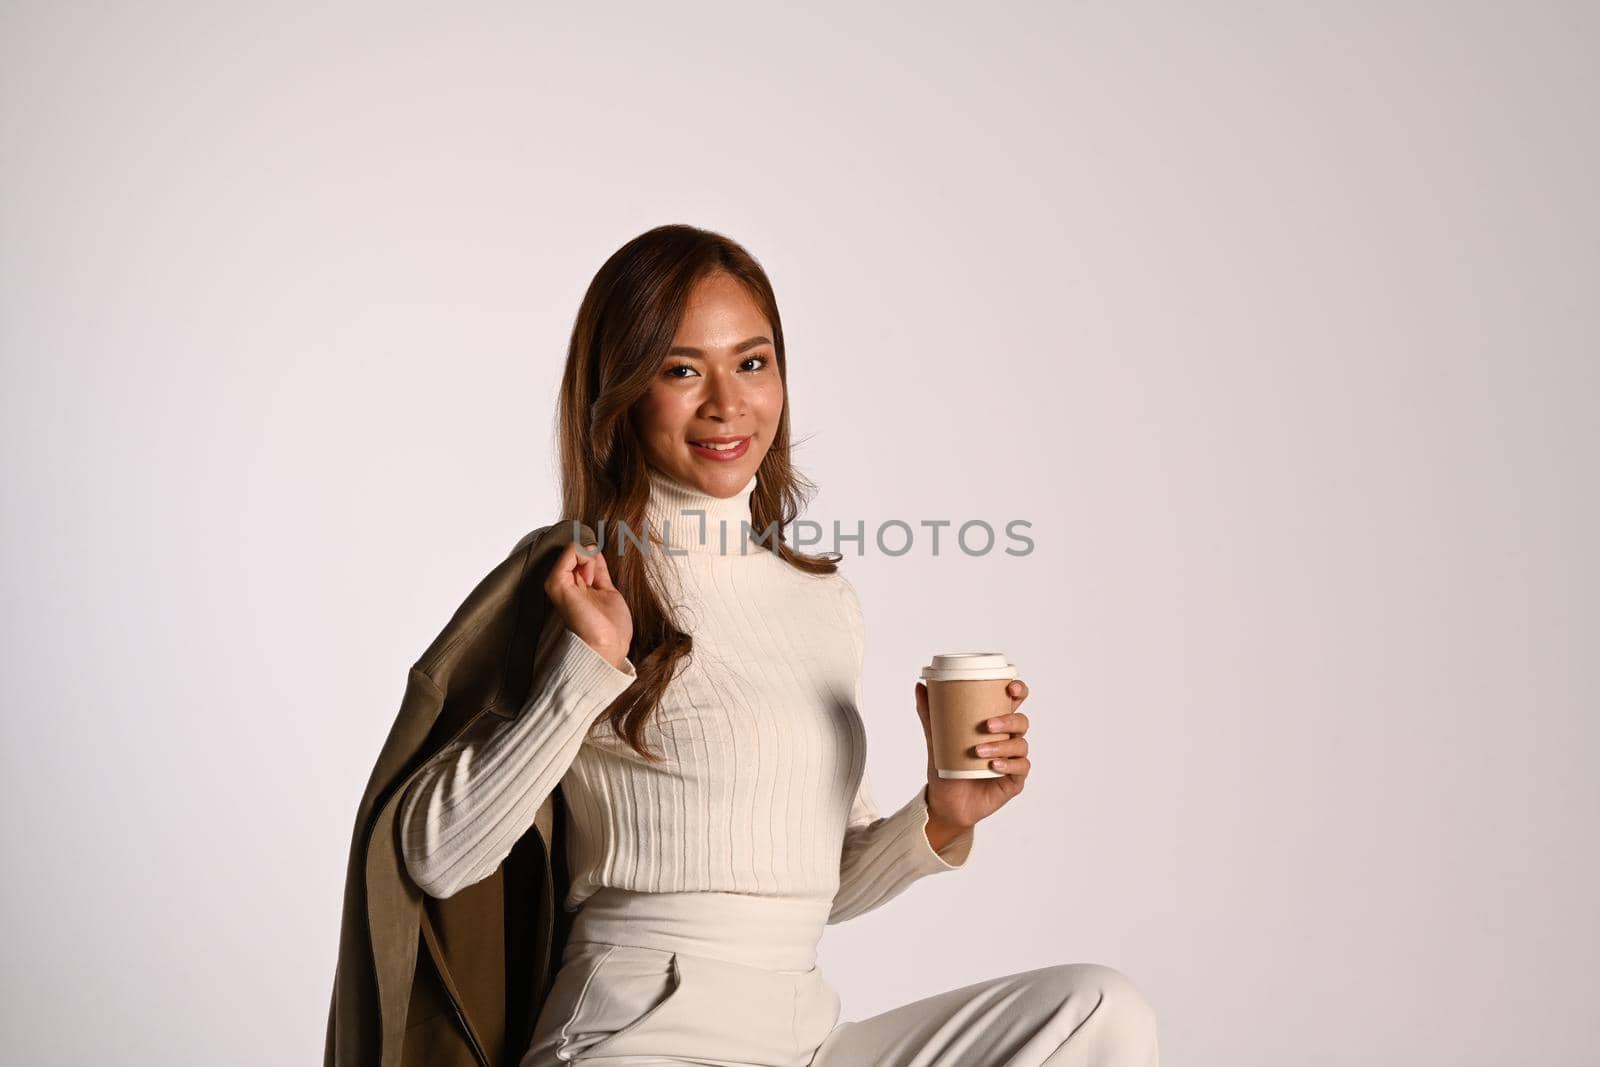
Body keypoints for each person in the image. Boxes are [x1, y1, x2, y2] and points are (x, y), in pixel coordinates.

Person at [396, 224, 1160, 1066]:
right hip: (642, 1030)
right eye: (682, 369)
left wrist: (940, 816)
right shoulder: (582, 578)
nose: (728, 403)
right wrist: (589, 665)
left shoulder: (820, 599)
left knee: (1098, 1010)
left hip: (806, 1034)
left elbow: (816, 886)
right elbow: (437, 854)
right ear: (618, 391)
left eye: (753, 363)